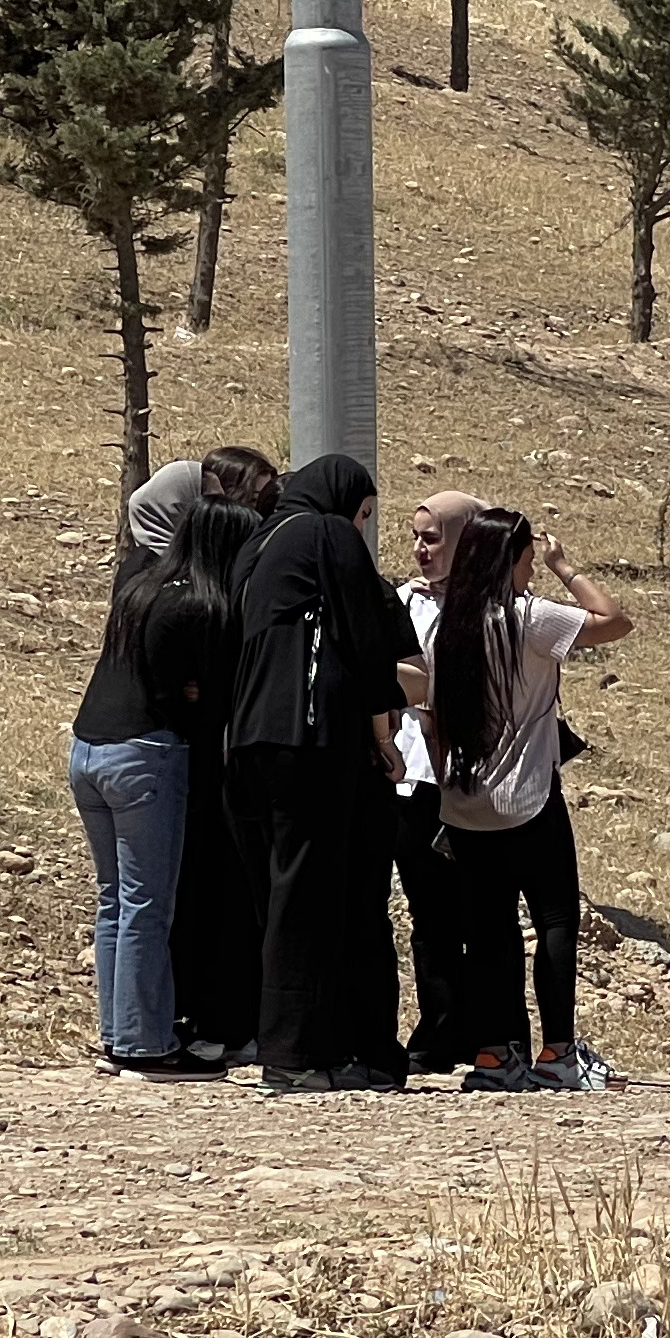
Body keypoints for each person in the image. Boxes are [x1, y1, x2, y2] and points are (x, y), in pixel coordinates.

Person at [226, 455, 427, 1093]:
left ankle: (291, 1043)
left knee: (282, 893)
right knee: (314, 896)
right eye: (363, 514)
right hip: (309, 735)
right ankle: (299, 1053)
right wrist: (383, 735)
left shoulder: (258, 546)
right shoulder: (328, 534)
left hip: (250, 737)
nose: (362, 527)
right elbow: (363, 639)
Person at [416, 504, 634, 1092]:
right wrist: (566, 567)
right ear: (510, 560)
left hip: (465, 803)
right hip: (529, 795)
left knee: (488, 932)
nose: (532, 570)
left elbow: (434, 721)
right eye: (529, 560)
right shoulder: (528, 618)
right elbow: (614, 621)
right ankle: (558, 1051)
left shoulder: (444, 626)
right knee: (555, 918)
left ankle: (495, 1054)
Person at [67, 463, 221, 1077]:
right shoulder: (184, 591)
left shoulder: (131, 573)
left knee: (114, 899)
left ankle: (118, 1033)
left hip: (88, 746)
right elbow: (185, 684)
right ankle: (146, 1045)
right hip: (143, 753)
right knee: (147, 905)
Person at [170, 468, 277, 1062]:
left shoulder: (182, 598)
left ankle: (208, 1018)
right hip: (223, 779)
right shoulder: (222, 611)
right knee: (229, 903)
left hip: (199, 776)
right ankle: (228, 1021)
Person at [394, 491, 489, 1071]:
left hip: (474, 780)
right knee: (429, 911)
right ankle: (439, 1025)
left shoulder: (495, 610)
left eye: (432, 538)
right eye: (416, 538)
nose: (420, 550)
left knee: (479, 910)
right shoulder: (403, 603)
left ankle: (486, 1030)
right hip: (413, 777)